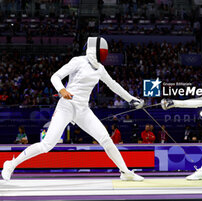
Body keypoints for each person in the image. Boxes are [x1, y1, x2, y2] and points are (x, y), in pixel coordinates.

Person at [2, 37, 144, 181]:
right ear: (97, 50)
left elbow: (114, 85)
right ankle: (11, 164)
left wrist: (131, 99)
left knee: (106, 139)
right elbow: (55, 76)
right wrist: (62, 89)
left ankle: (125, 172)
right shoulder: (78, 61)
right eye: (104, 52)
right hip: (66, 106)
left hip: (83, 110)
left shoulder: (100, 69)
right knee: (47, 144)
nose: (105, 55)